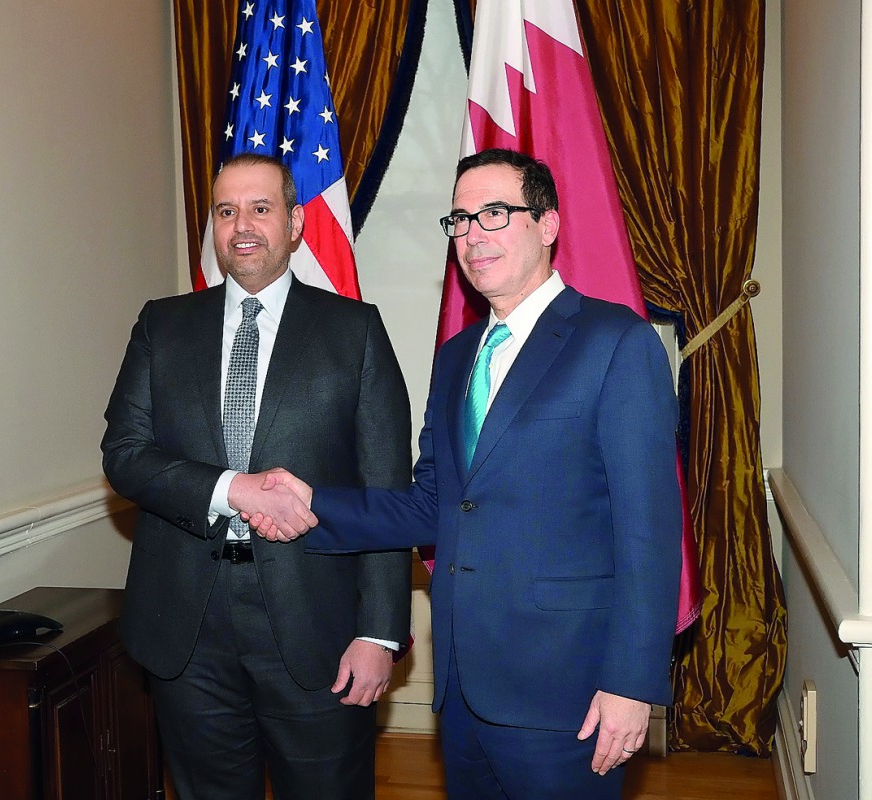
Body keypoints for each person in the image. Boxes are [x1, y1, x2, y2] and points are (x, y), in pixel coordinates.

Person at [246, 148, 682, 800]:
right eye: (460, 220)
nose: (473, 235)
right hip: (461, 683)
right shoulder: (456, 359)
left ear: (548, 224)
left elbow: (649, 531)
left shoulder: (614, 342)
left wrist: (631, 683)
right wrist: (314, 501)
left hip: (568, 690)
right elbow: (434, 506)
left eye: (495, 214)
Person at [101, 152, 412, 800]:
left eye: (261, 208)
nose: (242, 225)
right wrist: (231, 488)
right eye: (226, 210)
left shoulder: (353, 332)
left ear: (295, 222)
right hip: (187, 627)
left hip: (316, 626)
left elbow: (387, 493)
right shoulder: (162, 326)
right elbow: (125, 453)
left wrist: (379, 631)